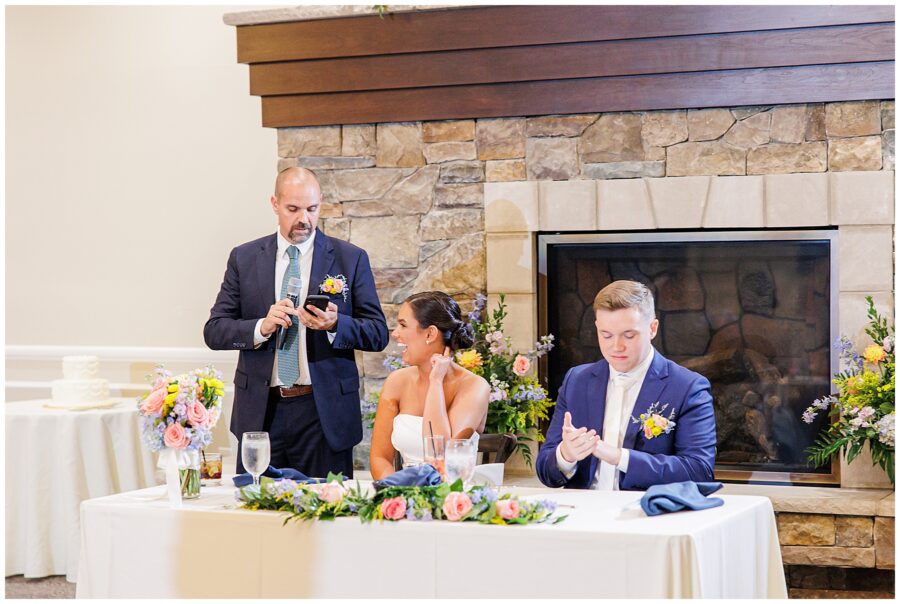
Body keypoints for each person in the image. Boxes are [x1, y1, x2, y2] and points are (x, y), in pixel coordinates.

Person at [204, 167, 388, 478]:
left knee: (327, 516)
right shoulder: (244, 258)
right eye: (293, 209)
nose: (304, 218)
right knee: (258, 516)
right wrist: (261, 327)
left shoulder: (350, 258)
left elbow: (377, 333)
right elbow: (215, 330)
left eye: (312, 209)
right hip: (263, 413)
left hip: (323, 412)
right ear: (274, 204)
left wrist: (334, 324)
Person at [536, 280, 716, 490]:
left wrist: (619, 457)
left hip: (647, 514)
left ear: (652, 328)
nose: (617, 346)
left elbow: (699, 471)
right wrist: (565, 455)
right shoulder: (577, 380)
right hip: (580, 512)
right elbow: (545, 471)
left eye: (629, 335)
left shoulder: (687, 387)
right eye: (606, 335)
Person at [369, 291, 491, 480]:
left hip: (452, 497)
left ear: (430, 333)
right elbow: (380, 458)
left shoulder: (474, 387)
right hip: (404, 495)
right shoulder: (397, 382)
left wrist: (435, 383)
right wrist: (395, 494)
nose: (395, 333)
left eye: (403, 325)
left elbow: (440, 458)